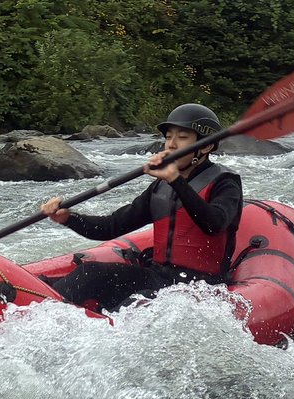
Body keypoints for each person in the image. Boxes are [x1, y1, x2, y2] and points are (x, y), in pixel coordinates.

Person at [34, 103, 244, 312]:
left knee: (137, 305)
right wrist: (68, 218)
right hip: (159, 277)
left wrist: (176, 180)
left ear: (206, 146)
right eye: (168, 136)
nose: (171, 144)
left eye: (182, 138)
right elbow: (112, 226)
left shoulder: (225, 183)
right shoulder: (161, 187)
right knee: (89, 272)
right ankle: (36, 308)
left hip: (198, 286)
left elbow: (214, 224)